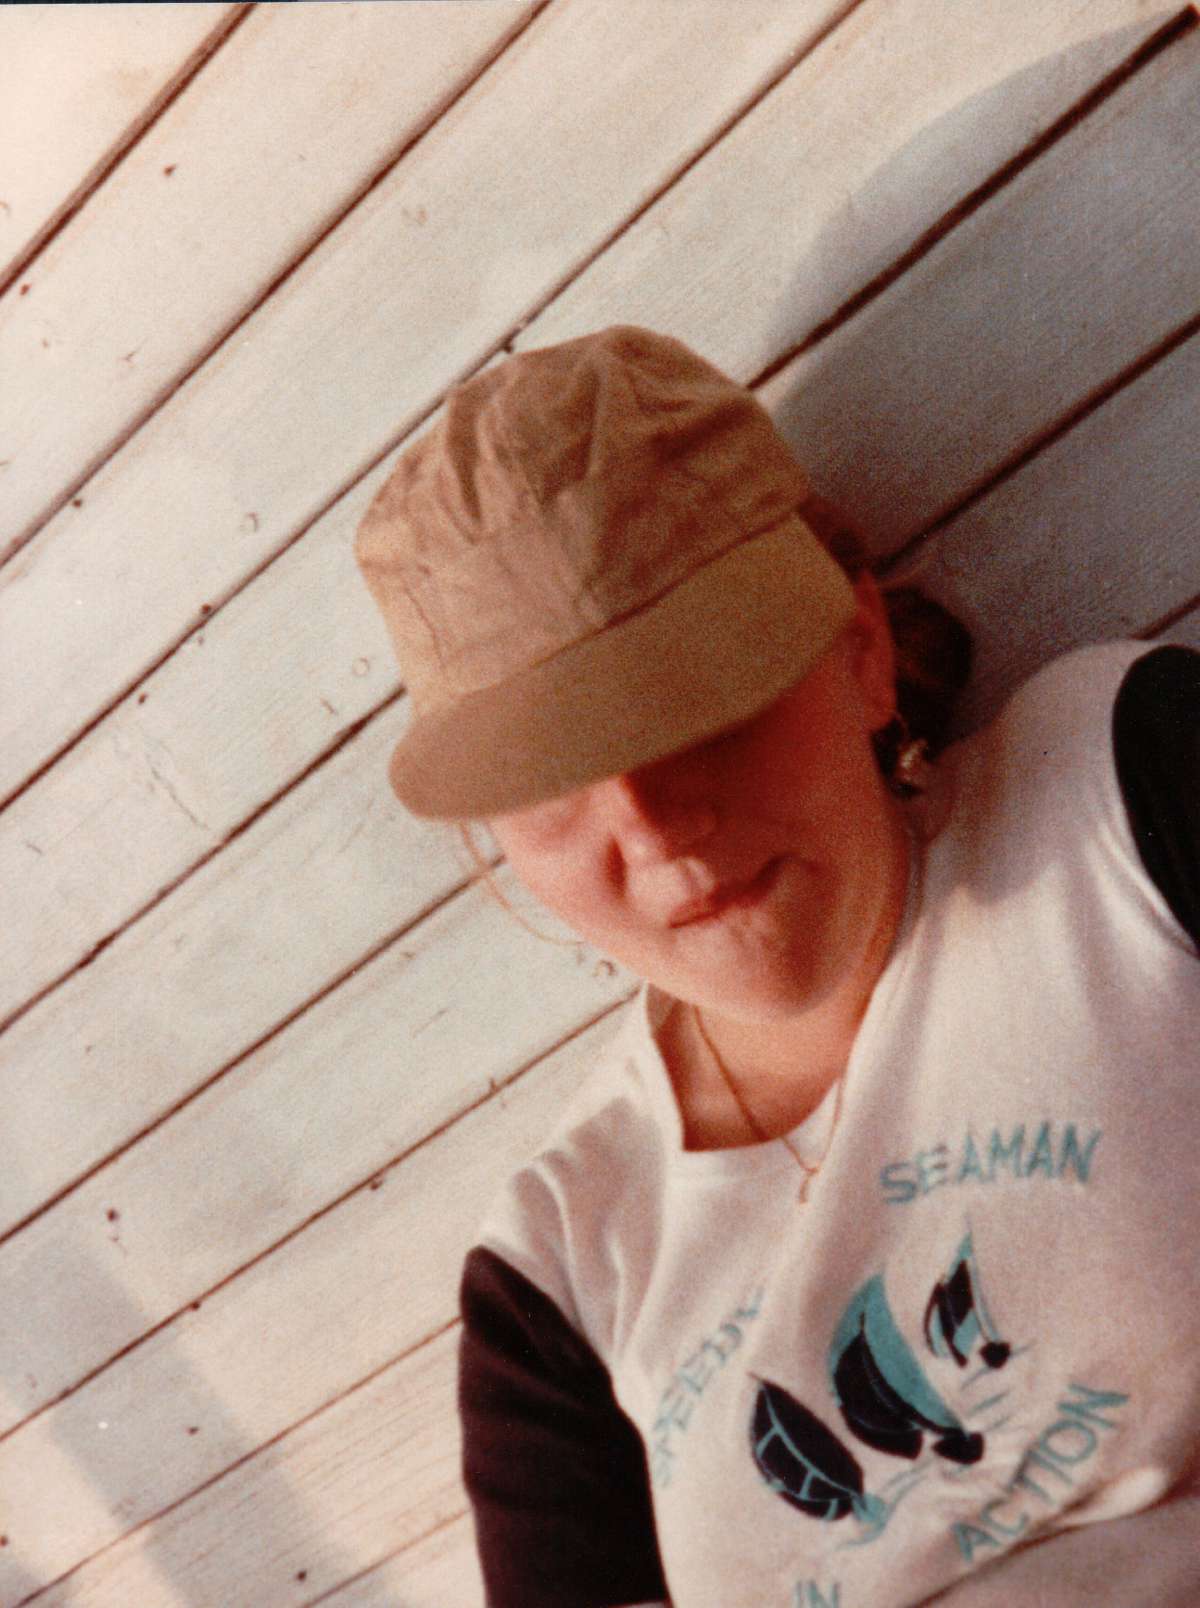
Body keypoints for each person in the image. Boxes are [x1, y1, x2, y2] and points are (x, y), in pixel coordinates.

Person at [354, 326, 1200, 1606]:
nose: (651, 825)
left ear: (858, 646)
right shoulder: (560, 1277)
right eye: (549, 781)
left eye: (690, 700)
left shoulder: (1120, 796)